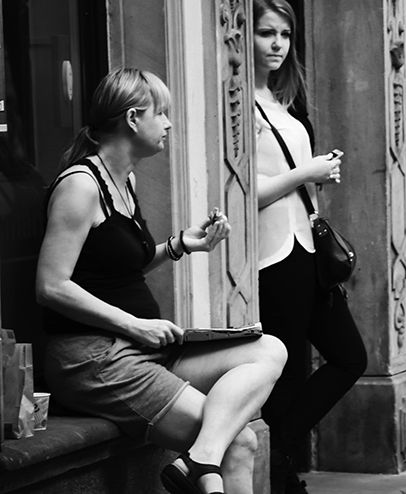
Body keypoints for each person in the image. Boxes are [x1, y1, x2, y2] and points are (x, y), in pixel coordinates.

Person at [35, 68, 287, 494]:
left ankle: (199, 459)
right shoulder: (81, 185)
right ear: (133, 118)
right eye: (162, 113)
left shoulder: (125, 181)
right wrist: (135, 325)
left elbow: (114, 270)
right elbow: (51, 286)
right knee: (239, 440)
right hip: (94, 359)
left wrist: (181, 245)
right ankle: (203, 459)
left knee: (269, 348)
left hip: (142, 349)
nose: (169, 123)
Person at [251, 1, 368, 493]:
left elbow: (297, 188)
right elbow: (244, 194)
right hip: (272, 255)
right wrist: (308, 171)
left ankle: (282, 450)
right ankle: (283, 474)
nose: (277, 44)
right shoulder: (238, 106)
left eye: (284, 34)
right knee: (286, 371)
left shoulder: (284, 107)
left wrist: (319, 176)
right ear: (242, 37)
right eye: (265, 33)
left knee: (349, 357)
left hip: (307, 251)